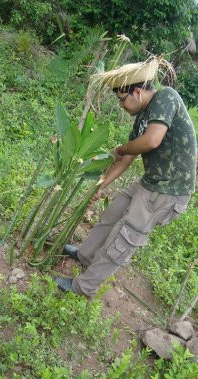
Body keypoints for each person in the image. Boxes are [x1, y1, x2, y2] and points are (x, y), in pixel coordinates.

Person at [54, 57, 197, 298]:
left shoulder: (166, 97)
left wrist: (120, 148)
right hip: (150, 181)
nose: (121, 105)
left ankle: (83, 287)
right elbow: (128, 157)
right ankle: (85, 255)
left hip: (167, 192)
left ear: (138, 92)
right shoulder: (143, 117)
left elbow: (151, 141)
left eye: (122, 100)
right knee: (112, 214)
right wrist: (101, 186)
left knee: (125, 237)